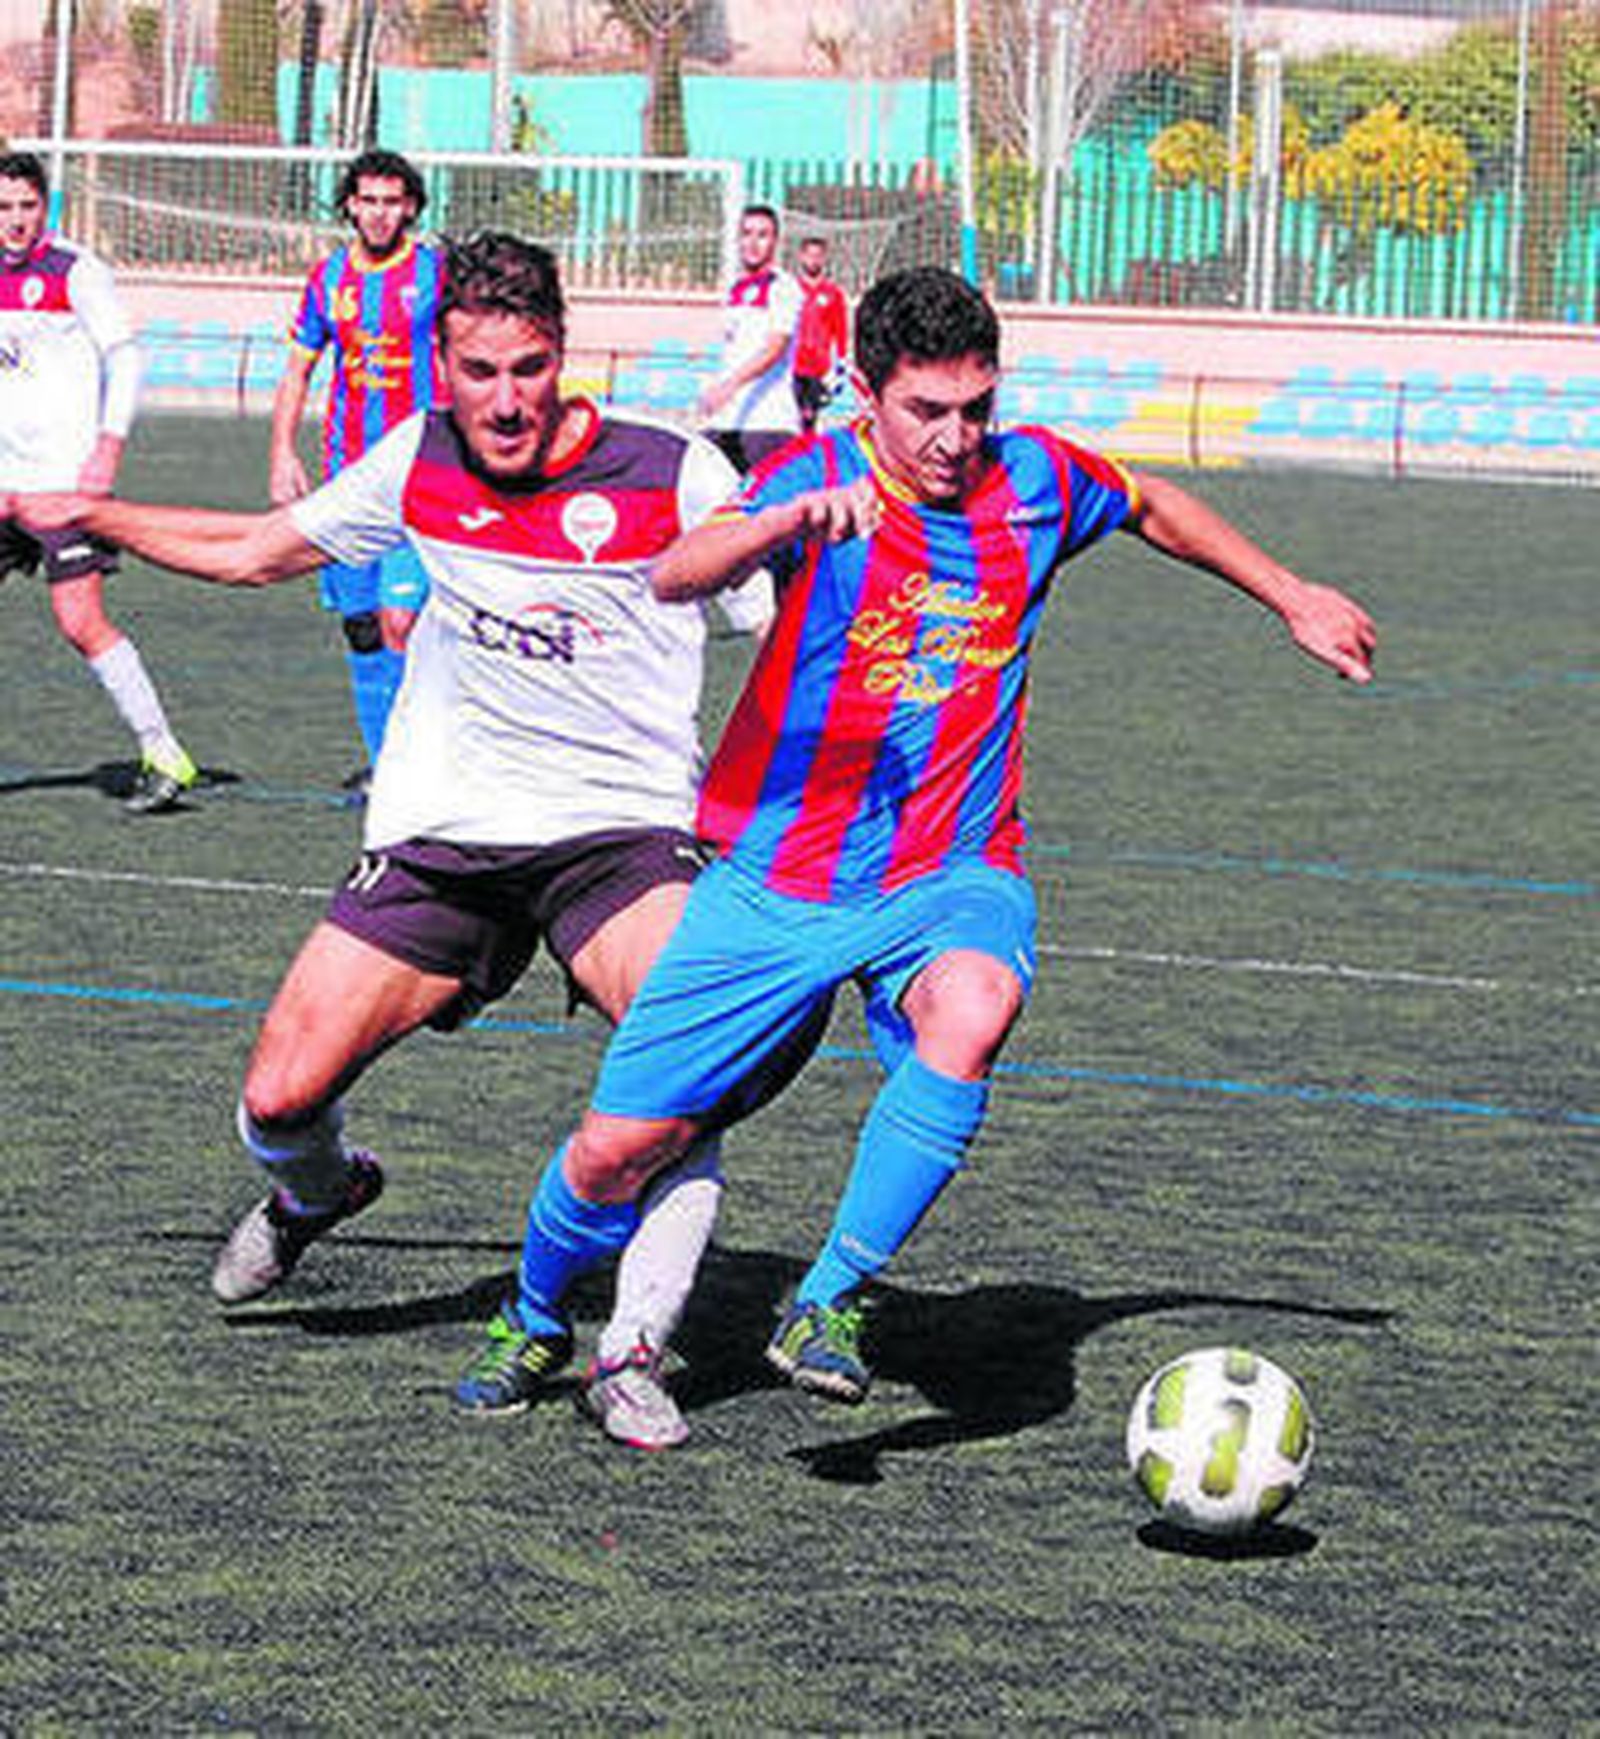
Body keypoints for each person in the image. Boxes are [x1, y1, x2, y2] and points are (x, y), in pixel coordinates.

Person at [454, 265, 1378, 1423]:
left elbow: (1146, 503)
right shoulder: (817, 475)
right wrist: (782, 523)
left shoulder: (1037, 477)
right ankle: (535, 1313)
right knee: (613, 1150)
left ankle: (832, 1294)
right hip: (776, 878)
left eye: (973, 406)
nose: (954, 437)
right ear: (861, 394)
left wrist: (1288, 593)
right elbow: (673, 570)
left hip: (952, 868)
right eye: (924, 411)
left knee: (975, 1006)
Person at [9, 232, 776, 1453]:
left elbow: (776, 626)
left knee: (687, 1064)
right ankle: (324, 1189)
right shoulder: (417, 457)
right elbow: (261, 551)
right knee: (276, 1095)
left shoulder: (671, 470)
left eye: (529, 367)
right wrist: (94, 510)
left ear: (562, 357)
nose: (507, 397)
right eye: (479, 370)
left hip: (618, 837)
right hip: (443, 839)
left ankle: (632, 1345)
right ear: (443, 363)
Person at [0, 149, 197, 813]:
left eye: (28, 206)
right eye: (4, 208)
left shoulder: (76, 271)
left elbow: (127, 356)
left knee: (80, 620)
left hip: (65, 483)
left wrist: (107, 450)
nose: (16, 220)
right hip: (7, 482)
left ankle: (163, 752)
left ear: (45, 207)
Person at [270, 148, 445, 791]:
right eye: (367, 200)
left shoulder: (436, 274)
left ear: (410, 207)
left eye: (391, 201)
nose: (378, 213)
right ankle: (384, 763)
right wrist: (282, 450)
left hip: (422, 478)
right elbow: (298, 369)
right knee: (363, 625)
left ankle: (415, 763)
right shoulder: (327, 280)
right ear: (349, 203)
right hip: (348, 478)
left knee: (405, 621)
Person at [697, 203, 803, 473]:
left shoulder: (782, 287)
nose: (753, 243)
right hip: (726, 421)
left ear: (775, 242)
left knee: (763, 510)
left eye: (762, 235)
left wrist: (729, 385)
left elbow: (775, 348)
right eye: (747, 233)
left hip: (767, 423)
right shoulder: (735, 288)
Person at [790, 234, 849, 435]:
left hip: (818, 366)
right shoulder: (789, 290)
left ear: (824, 259)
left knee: (810, 417)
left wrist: (841, 363)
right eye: (810, 255)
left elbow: (840, 328)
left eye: (818, 256)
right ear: (801, 257)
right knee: (789, 416)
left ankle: (807, 456)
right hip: (792, 364)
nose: (813, 261)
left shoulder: (833, 293)